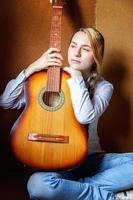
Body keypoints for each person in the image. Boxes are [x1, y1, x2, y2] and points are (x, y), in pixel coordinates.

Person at [0, 27, 133, 200]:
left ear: (96, 56)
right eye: (73, 46)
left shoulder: (104, 87)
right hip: (58, 166)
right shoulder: (45, 80)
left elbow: (85, 116)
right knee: (37, 184)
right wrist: (32, 68)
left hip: (91, 159)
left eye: (85, 49)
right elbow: (5, 101)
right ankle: (104, 196)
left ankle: (73, 190)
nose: (76, 53)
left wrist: (76, 77)